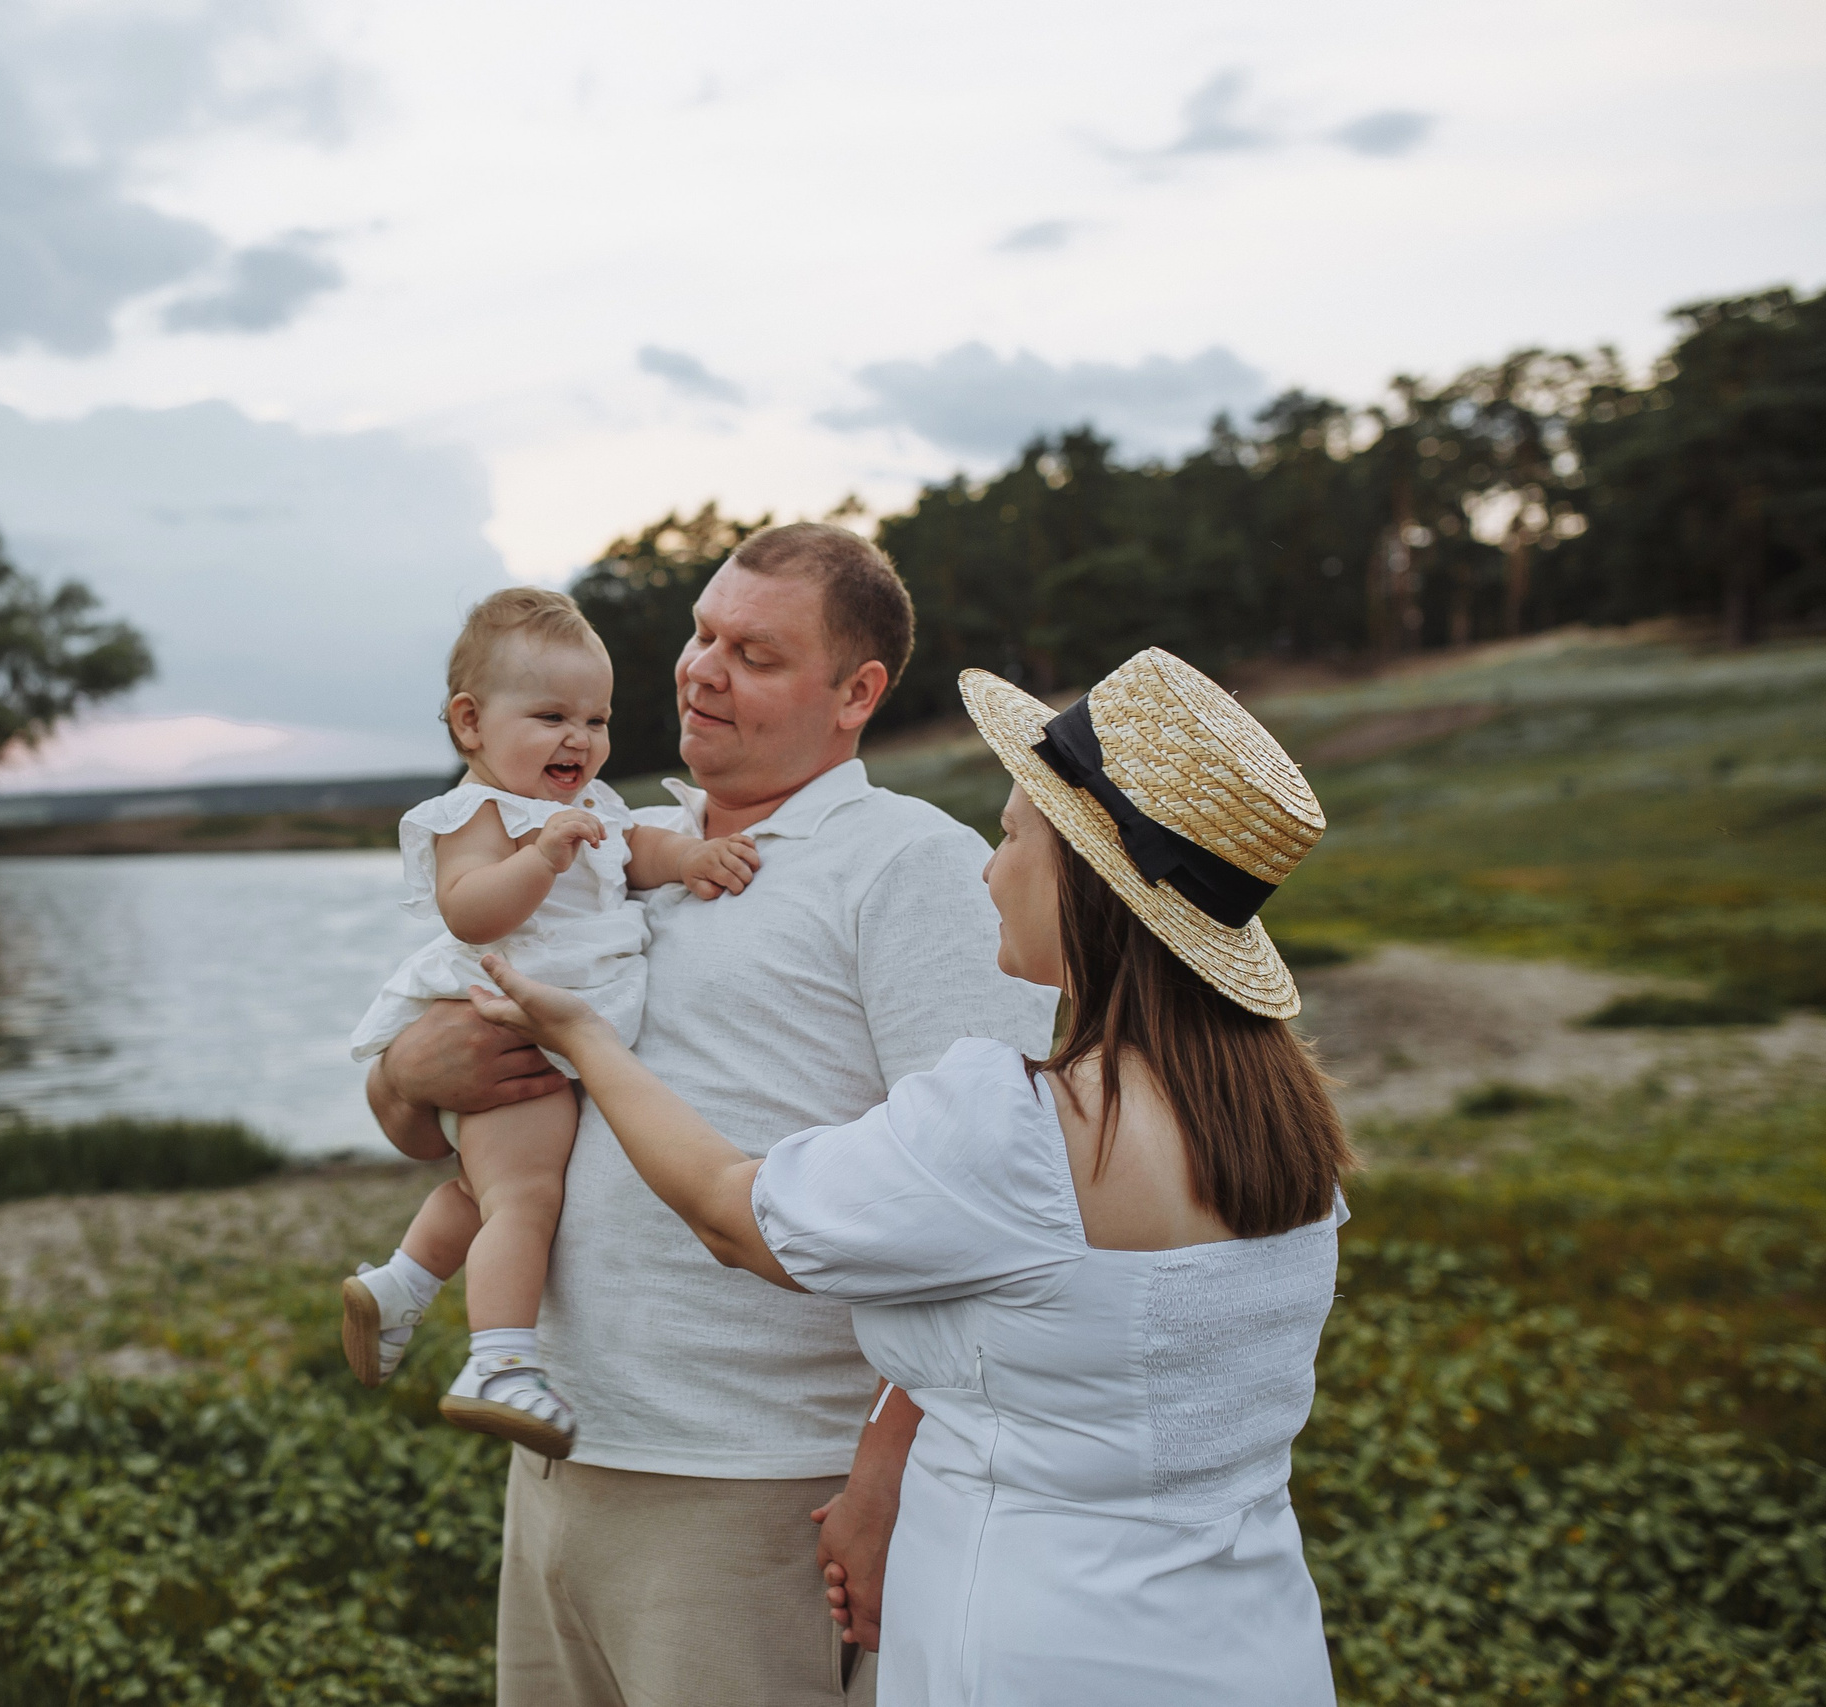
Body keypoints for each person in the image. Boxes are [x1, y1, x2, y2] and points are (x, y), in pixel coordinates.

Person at [469, 644, 1358, 1704]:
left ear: (1083, 883)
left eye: (1012, 836)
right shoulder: (1286, 1128)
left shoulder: (1019, 1130)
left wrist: (588, 1041)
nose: (990, 868)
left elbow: (730, 1213)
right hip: (1243, 1638)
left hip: (1033, 1644)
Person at [366, 525, 1061, 1705]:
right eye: (699, 633)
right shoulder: (604, 845)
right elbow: (435, 1126)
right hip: (558, 1458)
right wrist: (405, 1077)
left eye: (753, 651)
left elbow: (997, 1203)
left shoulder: (906, 866)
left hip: (764, 1486)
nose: (699, 669)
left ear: (856, 693)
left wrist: (887, 1473)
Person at [343, 587, 763, 1457]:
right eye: (550, 715)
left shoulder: (596, 806)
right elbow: (469, 911)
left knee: (486, 1192)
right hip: (506, 1025)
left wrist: (688, 855)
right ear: (470, 723)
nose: (579, 738)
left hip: (549, 1032)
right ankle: (498, 1361)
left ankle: (399, 1286)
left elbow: (636, 852)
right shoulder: (477, 813)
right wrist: (539, 856)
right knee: (526, 1197)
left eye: (596, 718)